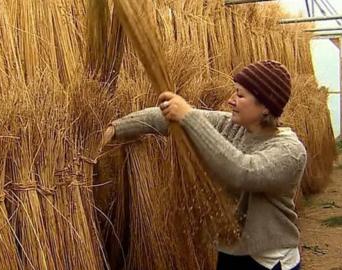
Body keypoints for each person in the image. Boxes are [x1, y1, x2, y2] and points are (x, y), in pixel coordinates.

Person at [101, 60, 306, 270]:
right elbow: (165, 118)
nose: (230, 100)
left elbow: (243, 171)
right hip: (231, 250)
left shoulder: (289, 151)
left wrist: (188, 116)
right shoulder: (230, 125)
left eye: (240, 95)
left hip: (270, 260)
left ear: (265, 107)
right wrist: (114, 129)